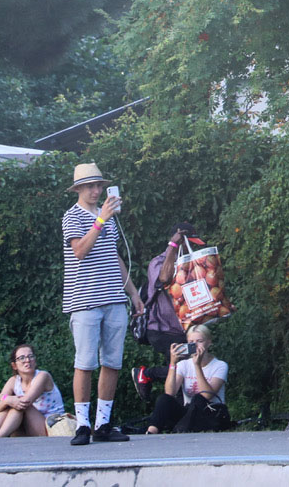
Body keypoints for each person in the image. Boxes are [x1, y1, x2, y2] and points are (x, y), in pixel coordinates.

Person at [61, 163, 145, 445]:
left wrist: (133, 293)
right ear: (79, 189)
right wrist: (100, 220)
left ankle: (103, 424)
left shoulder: (107, 217)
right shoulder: (72, 216)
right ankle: (82, 425)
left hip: (113, 298)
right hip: (85, 300)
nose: (96, 191)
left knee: (112, 362)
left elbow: (114, 256)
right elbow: (80, 251)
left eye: (98, 186)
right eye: (89, 186)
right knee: (84, 363)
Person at [133, 222, 206, 403]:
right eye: (188, 243)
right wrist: (173, 246)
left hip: (184, 331)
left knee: (191, 367)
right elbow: (164, 278)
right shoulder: (157, 262)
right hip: (161, 330)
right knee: (185, 367)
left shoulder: (193, 266)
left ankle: (181, 417)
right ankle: (145, 373)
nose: (192, 248)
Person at [145, 324, 229, 433]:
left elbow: (207, 395)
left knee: (198, 399)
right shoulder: (184, 364)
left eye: (199, 341)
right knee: (164, 399)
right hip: (189, 413)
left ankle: (180, 429)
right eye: (191, 342)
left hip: (210, 413)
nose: (195, 345)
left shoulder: (220, 365)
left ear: (209, 343)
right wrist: (173, 363)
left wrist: (197, 366)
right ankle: (152, 431)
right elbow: (170, 392)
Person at [0, 344, 66, 438]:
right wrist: (6, 399)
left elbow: (24, 403)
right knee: (7, 406)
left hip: (50, 429)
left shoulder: (43, 376)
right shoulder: (13, 381)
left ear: (35, 361)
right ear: (14, 365)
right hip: (27, 426)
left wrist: (0, 397)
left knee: (20, 405)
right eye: (22, 358)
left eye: (30, 356)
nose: (27, 360)